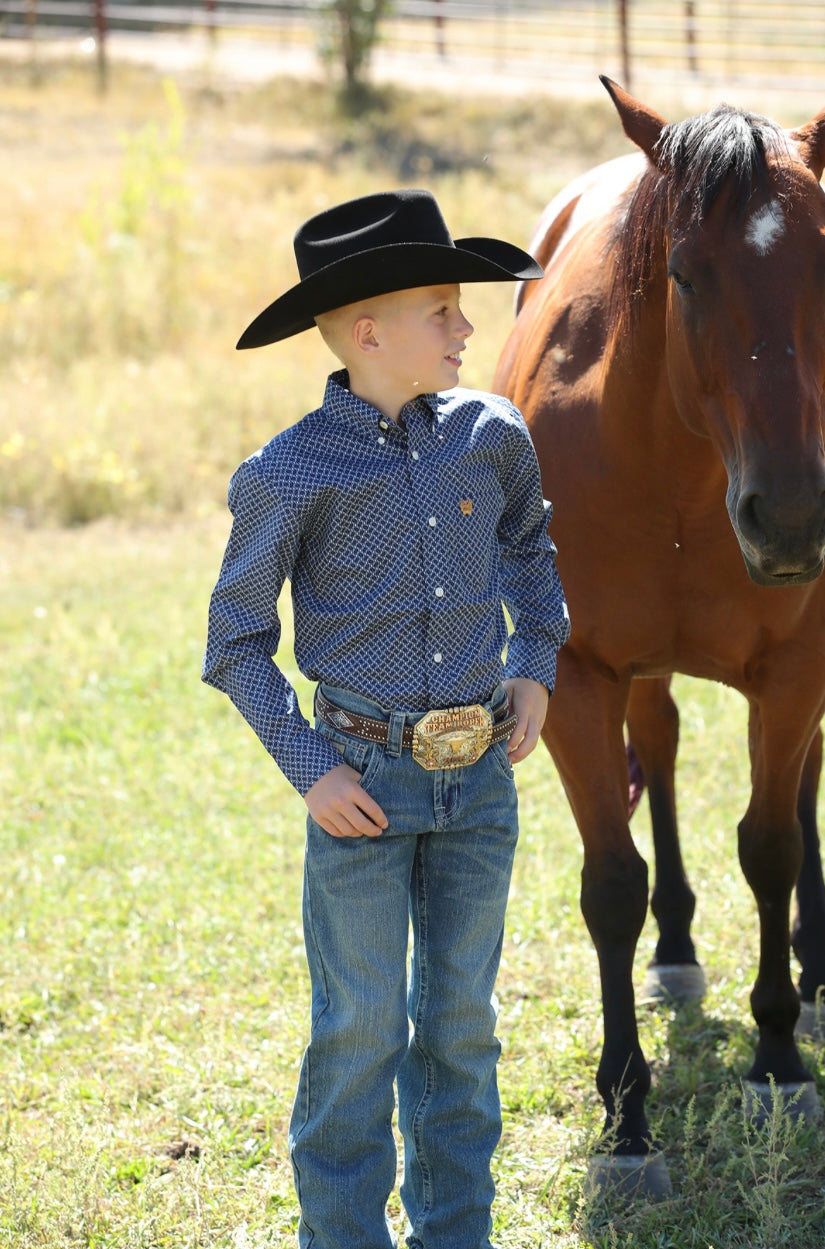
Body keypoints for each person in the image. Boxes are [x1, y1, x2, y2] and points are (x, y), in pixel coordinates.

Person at [202, 188, 570, 1249]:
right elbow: (236, 643)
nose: (469, 329)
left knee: (461, 1027)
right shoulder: (285, 474)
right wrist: (312, 770)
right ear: (369, 332)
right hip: (357, 786)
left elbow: (531, 548)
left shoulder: (492, 436)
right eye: (444, 309)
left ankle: (456, 1235)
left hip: (480, 783)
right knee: (359, 1031)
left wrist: (535, 658)